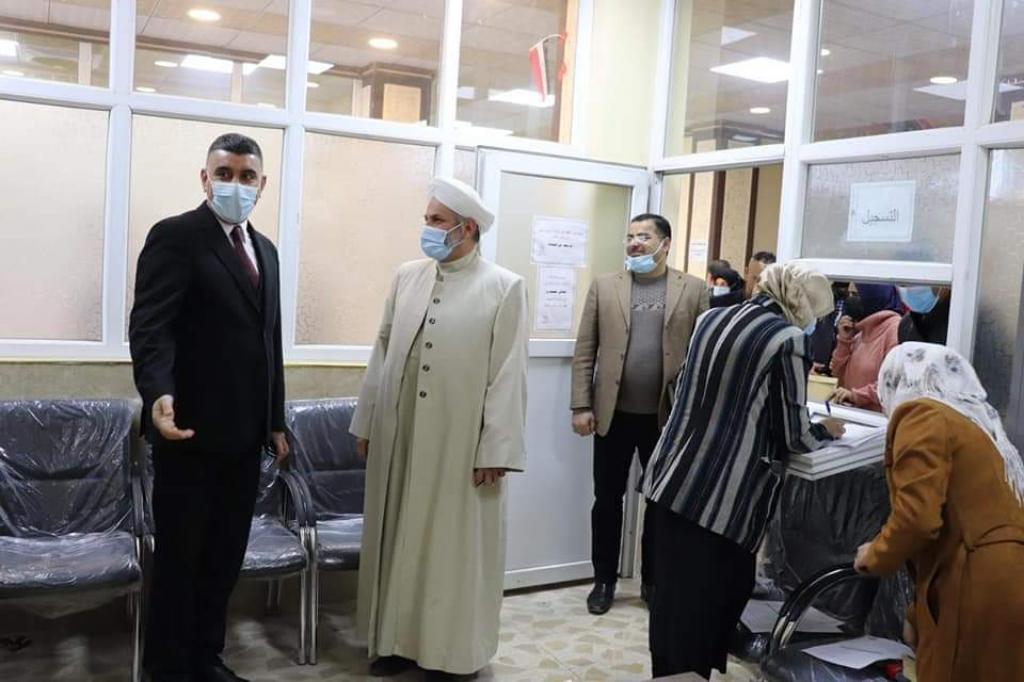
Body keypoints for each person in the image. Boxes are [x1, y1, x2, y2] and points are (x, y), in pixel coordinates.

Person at [350, 177, 528, 680]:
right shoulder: (407, 277)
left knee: (450, 547)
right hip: (401, 435)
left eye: (436, 221)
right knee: (397, 536)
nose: (426, 228)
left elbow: (509, 372)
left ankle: (450, 655)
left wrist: (496, 448)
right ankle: (394, 642)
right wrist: (367, 421)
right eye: (427, 218)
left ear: (466, 229)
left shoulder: (504, 286)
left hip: (460, 443)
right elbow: (382, 349)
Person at [129, 133, 288, 682]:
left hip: (245, 439)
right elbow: (151, 327)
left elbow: (270, 342)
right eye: (224, 174)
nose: (235, 185)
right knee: (181, 560)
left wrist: (276, 420)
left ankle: (205, 659)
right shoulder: (176, 237)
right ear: (205, 178)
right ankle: (168, 669)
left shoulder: (266, 251)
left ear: (261, 185)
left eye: (247, 177)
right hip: (189, 434)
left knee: (223, 559)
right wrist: (158, 393)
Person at [643, 262, 845, 679]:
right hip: (720, 500)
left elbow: (688, 388)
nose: (815, 324)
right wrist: (825, 430)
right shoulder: (786, 339)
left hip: (671, 481)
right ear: (803, 304)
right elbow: (794, 435)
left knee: (671, 609)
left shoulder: (712, 318)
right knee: (703, 613)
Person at [854, 343, 1024, 682]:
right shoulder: (974, 424)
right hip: (1002, 581)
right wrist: (917, 614)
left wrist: (874, 555)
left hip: (975, 585)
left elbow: (917, 518)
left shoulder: (922, 415)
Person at [571, 213, 708, 615]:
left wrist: (695, 416)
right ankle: (604, 580)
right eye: (630, 236)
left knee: (661, 504)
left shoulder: (693, 289)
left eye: (644, 236)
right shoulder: (605, 286)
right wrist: (581, 405)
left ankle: (653, 581)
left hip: (666, 420)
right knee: (606, 500)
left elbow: (702, 356)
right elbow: (585, 350)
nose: (634, 243)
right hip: (612, 415)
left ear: (665, 243)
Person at [830, 283, 903, 412]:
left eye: (855, 294)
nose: (850, 300)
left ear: (873, 296)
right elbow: (837, 375)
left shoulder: (894, 330)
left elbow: (892, 383)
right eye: (849, 294)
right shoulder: (860, 330)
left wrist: (856, 396)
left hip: (877, 419)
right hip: (852, 414)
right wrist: (844, 341)